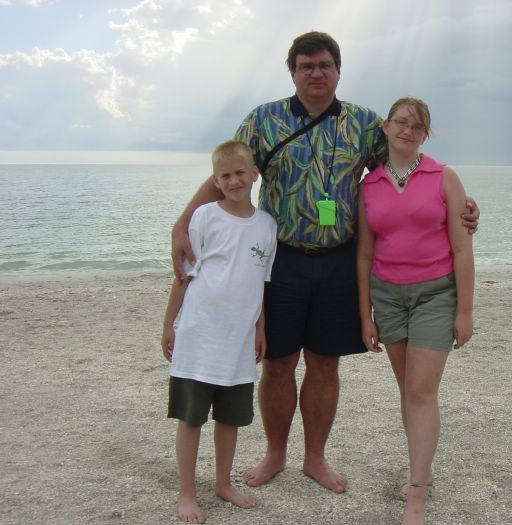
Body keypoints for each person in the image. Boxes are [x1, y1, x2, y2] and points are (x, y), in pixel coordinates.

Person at [170, 31, 480, 494]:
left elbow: (405, 165)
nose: (316, 73)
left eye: (325, 65)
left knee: (324, 363)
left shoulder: (362, 123)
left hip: (338, 260)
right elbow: (226, 175)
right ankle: (276, 454)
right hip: (281, 261)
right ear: (292, 71)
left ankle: (315, 458)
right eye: (306, 65)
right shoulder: (264, 120)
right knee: (277, 363)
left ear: (338, 71)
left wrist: (463, 201)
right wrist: (184, 222)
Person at [356, 97, 475, 525]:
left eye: (418, 125)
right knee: (407, 392)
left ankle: (417, 492)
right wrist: (365, 314)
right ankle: (418, 472)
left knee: (421, 392)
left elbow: (462, 247)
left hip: (434, 295)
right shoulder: (367, 186)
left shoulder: (444, 177)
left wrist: (465, 311)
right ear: (386, 127)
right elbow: (364, 257)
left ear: (426, 135)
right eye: (402, 122)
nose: (409, 129)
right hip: (387, 297)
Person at [161, 140, 277, 523]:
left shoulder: (266, 226)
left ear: (254, 173)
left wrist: (260, 328)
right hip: (199, 335)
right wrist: (168, 324)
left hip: (239, 340)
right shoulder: (205, 217)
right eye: (225, 175)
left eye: (240, 172)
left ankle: (223, 483)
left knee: (230, 418)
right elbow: (183, 276)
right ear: (215, 180)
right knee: (191, 417)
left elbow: (260, 282)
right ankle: (187, 492)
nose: (233, 180)